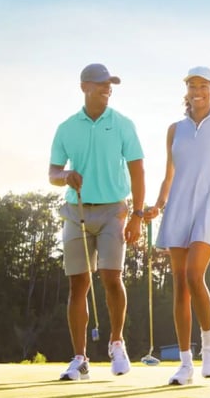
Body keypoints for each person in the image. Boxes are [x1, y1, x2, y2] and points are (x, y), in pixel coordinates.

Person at [144, 66, 210, 385]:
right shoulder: (175, 129)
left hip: (209, 206)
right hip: (178, 208)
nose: (196, 91)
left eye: (203, 85)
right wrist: (158, 204)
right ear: (186, 92)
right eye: (191, 86)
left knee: (193, 275)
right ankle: (185, 363)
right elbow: (169, 175)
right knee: (180, 285)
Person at [49, 63, 145, 381]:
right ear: (84, 87)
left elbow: (137, 171)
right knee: (78, 284)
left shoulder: (122, 124)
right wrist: (65, 176)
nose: (108, 88)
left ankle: (117, 343)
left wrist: (137, 216)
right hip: (76, 211)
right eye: (102, 84)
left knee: (112, 277)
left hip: (112, 211)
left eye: (110, 84)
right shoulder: (66, 127)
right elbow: (53, 173)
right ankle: (80, 358)